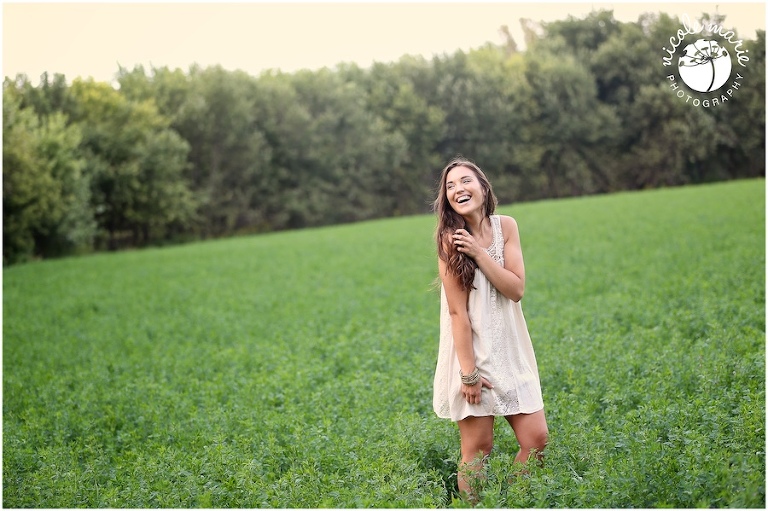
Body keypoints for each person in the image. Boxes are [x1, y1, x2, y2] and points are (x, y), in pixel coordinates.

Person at [432, 156, 548, 502]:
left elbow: (515, 290)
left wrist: (481, 253)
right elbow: (457, 314)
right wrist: (468, 374)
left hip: (512, 352)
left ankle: (512, 502)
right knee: (478, 450)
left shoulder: (506, 227)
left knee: (536, 440)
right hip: (473, 358)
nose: (457, 189)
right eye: (450, 186)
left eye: (465, 181)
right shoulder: (449, 241)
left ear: (483, 187)